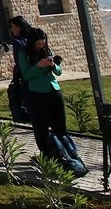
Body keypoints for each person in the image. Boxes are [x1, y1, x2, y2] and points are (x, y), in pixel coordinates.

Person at [20, 27, 84, 172]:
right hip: (37, 92)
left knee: (60, 126)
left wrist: (53, 65)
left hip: (53, 90)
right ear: (32, 43)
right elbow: (26, 75)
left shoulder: (47, 51)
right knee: (41, 127)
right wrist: (38, 66)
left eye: (43, 43)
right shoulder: (24, 54)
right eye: (38, 44)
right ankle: (47, 156)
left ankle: (66, 154)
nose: (41, 46)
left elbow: (59, 71)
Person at [8, 15, 34, 122]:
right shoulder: (32, 39)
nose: (12, 30)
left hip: (24, 75)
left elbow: (18, 61)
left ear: (19, 27)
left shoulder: (17, 42)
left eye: (13, 27)